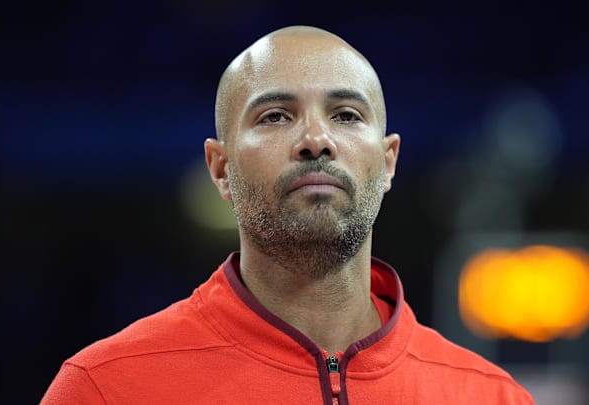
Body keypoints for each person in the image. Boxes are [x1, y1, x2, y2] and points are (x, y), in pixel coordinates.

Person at [41, 25, 535, 404]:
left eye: (346, 115)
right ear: (220, 168)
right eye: (275, 116)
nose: (316, 140)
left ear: (388, 163)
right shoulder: (107, 388)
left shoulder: (493, 396)